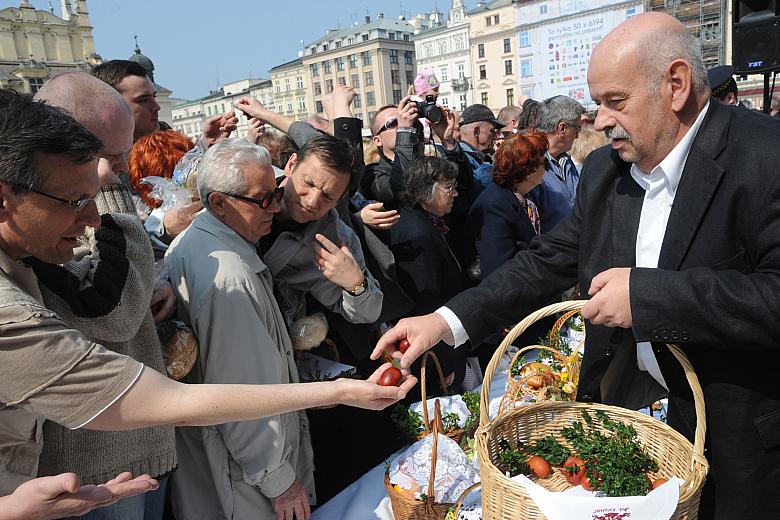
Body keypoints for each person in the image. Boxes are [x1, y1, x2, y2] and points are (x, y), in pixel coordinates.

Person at [372, 12, 780, 518]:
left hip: (754, 443)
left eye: (615, 101)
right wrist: (444, 321)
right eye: (597, 104)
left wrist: (648, 297)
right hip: (661, 425)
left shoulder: (765, 155)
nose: (601, 120)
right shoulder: (609, 171)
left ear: (675, 84)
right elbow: (544, 262)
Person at [0, 88, 414, 513]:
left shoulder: (261, 233)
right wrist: (328, 408)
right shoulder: (228, 275)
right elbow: (196, 392)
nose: (302, 203)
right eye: (76, 199)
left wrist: (356, 285)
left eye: (329, 197)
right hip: (201, 468)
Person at [29, 73, 177, 520]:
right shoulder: (44, 218)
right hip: (92, 467)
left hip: (138, 441)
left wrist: (154, 276)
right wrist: (108, 193)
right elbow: (111, 311)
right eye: (109, 155)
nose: (118, 168)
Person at [165, 139, 314, 520]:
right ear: (218, 203)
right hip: (244, 481)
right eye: (263, 199)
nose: (277, 207)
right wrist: (279, 479)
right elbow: (242, 392)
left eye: (277, 193)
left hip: (224, 464)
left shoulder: (192, 243)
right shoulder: (230, 278)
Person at [387, 156, 467, 390]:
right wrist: (446, 360)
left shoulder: (428, 221)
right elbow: (426, 303)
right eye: (449, 188)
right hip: (433, 350)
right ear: (425, 192)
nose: (455, 194)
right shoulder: (416, 233)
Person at [466, 131, 548, 279]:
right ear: (529, 169)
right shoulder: (494, 206)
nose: (547, 169)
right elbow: (498, 270)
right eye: (544, 163)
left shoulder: (525, 197)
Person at [530, 95, 585, 233]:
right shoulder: (531, 163)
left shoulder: (566, 161)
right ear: (562, 128)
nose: (578, 136)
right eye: (577, 129)